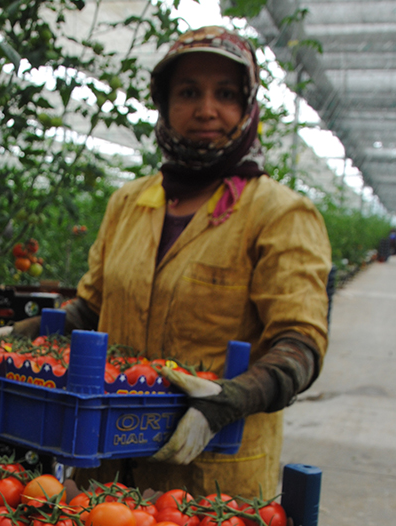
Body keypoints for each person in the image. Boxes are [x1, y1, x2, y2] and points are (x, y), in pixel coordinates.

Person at [16, 26, 331, 499]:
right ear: (164, 106)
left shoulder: (280, 214)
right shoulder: (129, 202)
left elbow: (300, 343)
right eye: (188, 93)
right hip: (107, 471)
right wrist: (26, 333)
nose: (207, 110)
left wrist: (230, 400)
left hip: (211, 484)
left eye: (225, 94)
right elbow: (94, 310)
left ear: (247, 107)